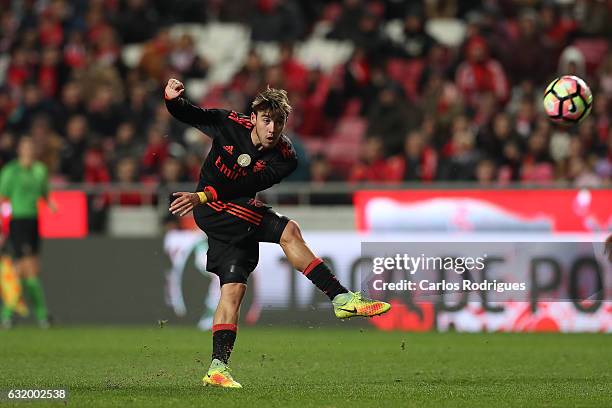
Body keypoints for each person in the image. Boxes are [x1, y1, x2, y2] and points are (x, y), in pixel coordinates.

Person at [165, 78, 390, 388]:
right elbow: (191, 114)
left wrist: (203, 195)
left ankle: (217, 368)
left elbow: (242, 186)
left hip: (229, 205)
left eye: (279, 122)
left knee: (233, 289)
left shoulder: (286, 157)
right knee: (288, 229)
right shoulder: (228, 124)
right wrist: (172, 101)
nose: (272, 129)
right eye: (267, 120)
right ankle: (340, 297)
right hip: (213, 209)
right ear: (254, 117)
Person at [0, 137, 56, 328]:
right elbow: (3, 199)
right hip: (17, 221)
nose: (28, 151)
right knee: (27, 268)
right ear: (19, 150)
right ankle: (40, 315)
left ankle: (9, 315)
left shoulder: (40, 170)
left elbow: (44, 192)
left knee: (28, 269)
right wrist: (3, 226)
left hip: (33, 221)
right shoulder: (10, 171)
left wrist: (50, 203)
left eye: (31, 147)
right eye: (25, 147)